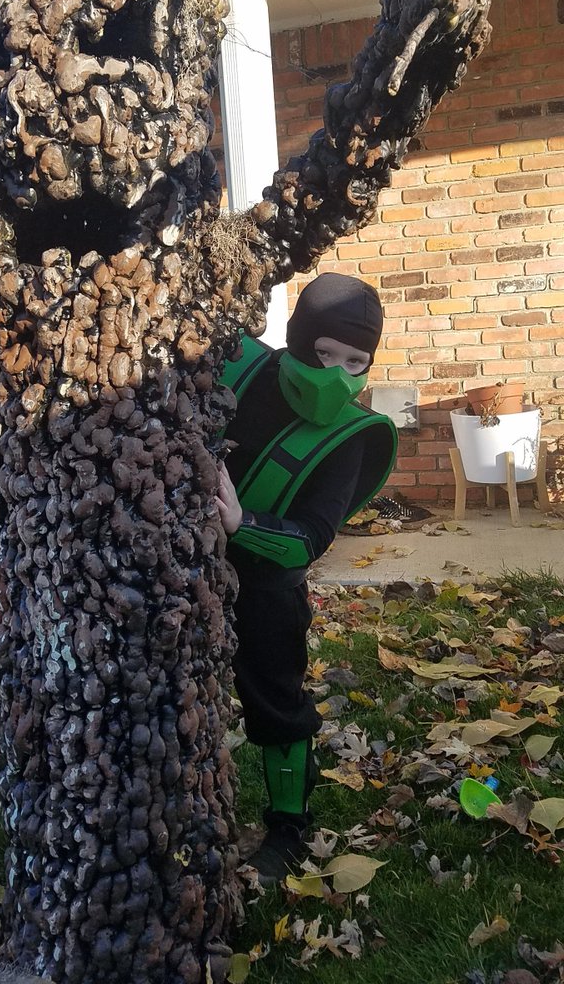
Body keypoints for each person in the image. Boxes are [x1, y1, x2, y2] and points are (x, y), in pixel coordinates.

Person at [216, 272, 397, 884]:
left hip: (267, 584)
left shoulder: (349, 435)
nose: (335, 375)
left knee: (277, 702)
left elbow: (314, 536)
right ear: (297, 339)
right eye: (323, 353)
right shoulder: (235, 365)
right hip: (177, 569)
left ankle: (288, 827)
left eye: (354, 362)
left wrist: (241, 523)